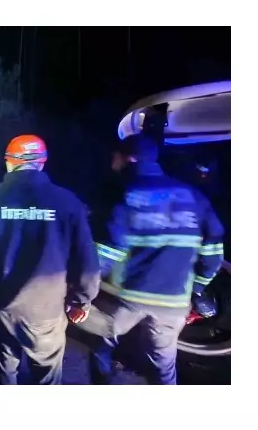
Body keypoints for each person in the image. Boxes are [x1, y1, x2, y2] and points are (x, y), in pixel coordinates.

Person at [0, 135, 102, 385]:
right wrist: (81, 300)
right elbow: (86, 262)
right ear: (42, 163)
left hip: (2, 304)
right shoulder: (68, 203)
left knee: (6, 368)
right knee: (46, 377)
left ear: (9, 162)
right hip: (46, 310)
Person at [89, 134, 225, 385]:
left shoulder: (128, 195)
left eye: (115, 157)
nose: (112, 163)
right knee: (164, 368)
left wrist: (81, 287)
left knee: (102, 344)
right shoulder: (194, 197)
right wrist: (197, 288)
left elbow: (110, 252)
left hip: (131, 300)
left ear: (129, 158)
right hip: (173, 303)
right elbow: (213, 255)